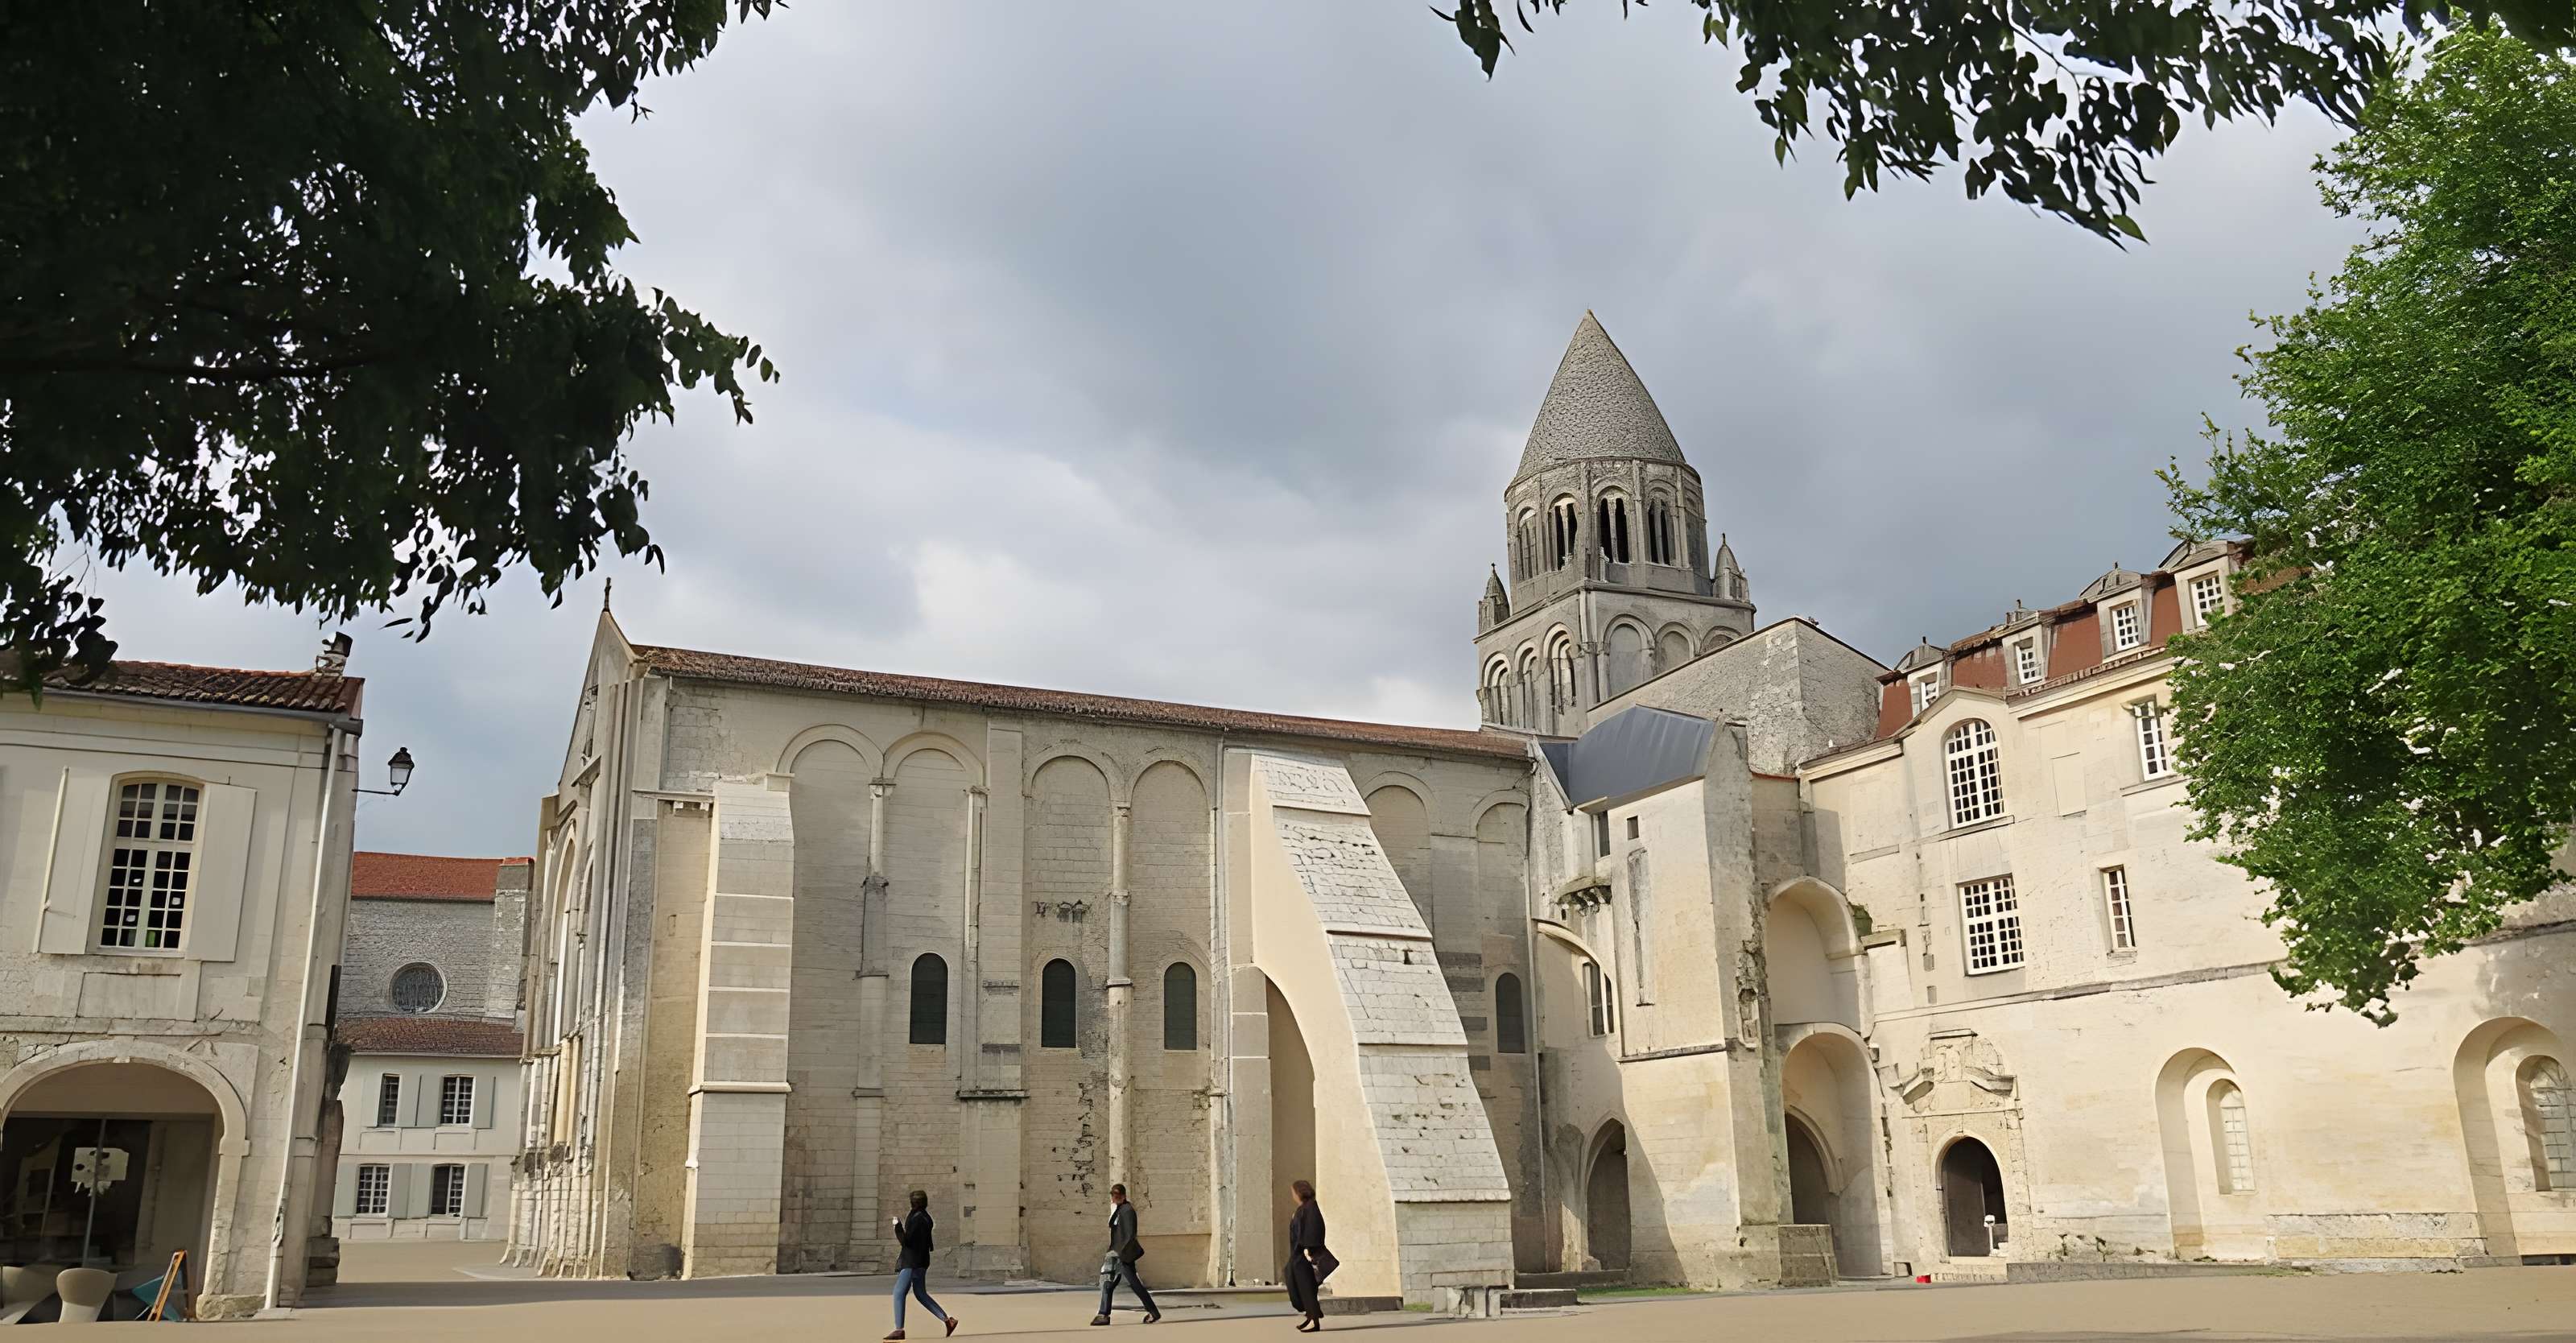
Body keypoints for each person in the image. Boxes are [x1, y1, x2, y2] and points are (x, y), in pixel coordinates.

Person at [887, 1189, 960, 1341]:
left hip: (912, 1261)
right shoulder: (926, 1217)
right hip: (921, 1260)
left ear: (914, 1203)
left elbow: (906, 1241)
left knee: (899, 1292)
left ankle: (899, 1329)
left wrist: (897, 1226)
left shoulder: (917, 1218)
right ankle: (948, 1321)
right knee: (920, 1294)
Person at [1089, 1182, 1161, 1326]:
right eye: (1114, 1196)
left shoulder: (1128, 1211)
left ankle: (1153, 1312)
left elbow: (1129, 1236)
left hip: (1121, 1255)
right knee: (1107, 1283)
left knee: (1132, 1284)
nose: (1115, 1198)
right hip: (1115, 1253)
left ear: (1123, 1196)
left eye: (1117, 1196)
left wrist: (1120, 1254)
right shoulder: (1119, 1209)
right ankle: (1104, 1314)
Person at [1282, 1179, 1335, 1333]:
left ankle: (1314, 1320)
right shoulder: (1302, 1209)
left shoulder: (1311, 1207)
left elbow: (1315, 1229)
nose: (1293, 1196)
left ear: (1300, 1192)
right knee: (1296, 1285)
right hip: (1297, 1256)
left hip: (1304, 1256)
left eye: (1294, 1192)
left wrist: (1309, 1250)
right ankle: (1310, 1316)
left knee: (1307, 1289)